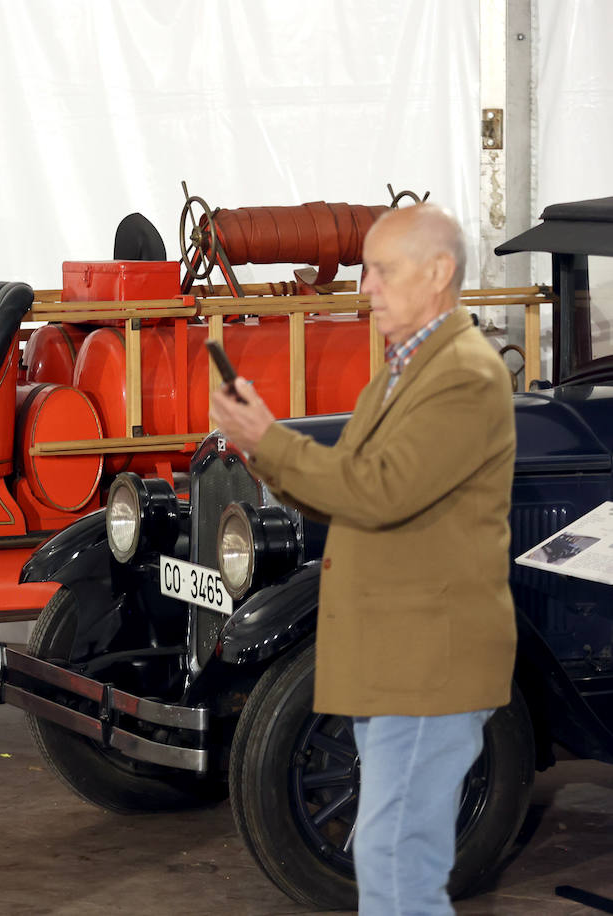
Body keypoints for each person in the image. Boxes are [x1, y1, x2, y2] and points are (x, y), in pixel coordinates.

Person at [209, 203, 517, 915]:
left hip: (427, 665)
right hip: (398, 659)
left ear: (439, 273)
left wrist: (269, 437)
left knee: (393, 859)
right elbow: (344, 485)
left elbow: (375, 492)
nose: (365, 288)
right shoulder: (402, 372)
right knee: (392, 857)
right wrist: (263, 445)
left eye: (381, 270)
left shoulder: (463, 377)